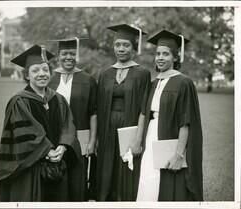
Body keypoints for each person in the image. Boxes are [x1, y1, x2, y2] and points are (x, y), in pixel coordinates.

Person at [0, 45, 81, 201]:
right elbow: (26, 133)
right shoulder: (19, 101)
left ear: (50, 73)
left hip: (58, 166)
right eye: (35, 71)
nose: (42, 74)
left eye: (45, 70)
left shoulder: (58, 99)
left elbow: (69, 126)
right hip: (31, 170)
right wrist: (48, 150)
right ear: (27, 75)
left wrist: (63, 146)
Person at [136, 30, 203, 201]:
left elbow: (185, 122)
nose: (160, 58)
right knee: (148, 178)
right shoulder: (154, 82)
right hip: (151, 137)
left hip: (171, 138)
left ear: (175, 57)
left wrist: (178, 154)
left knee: (167, 182)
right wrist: (138, 141)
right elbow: (144, 113)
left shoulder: (183, 82)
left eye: (165, 54)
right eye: (158, 54)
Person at [96, 24, 151, 201]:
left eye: (126, 45)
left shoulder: (142, 73)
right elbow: (97, 107)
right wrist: (96, 138)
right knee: (106, 168)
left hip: (130, 127)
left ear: (133, 48)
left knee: (126, 168)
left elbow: (144, 108)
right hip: (107, 128)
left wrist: (138, 138)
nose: (121, 49)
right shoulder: (105, 73)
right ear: (113, 46)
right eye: (118, 44)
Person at [48, 37, 97, 201]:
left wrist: (92, 142)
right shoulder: (50, 79)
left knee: (78, 181)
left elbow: (93, 113)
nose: (68, 57)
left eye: (71, 53)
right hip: (54, 138)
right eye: (64, 53)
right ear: (58, 55)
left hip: (80, 138)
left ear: (77, 55)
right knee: (57, 181)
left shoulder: (88, 80)